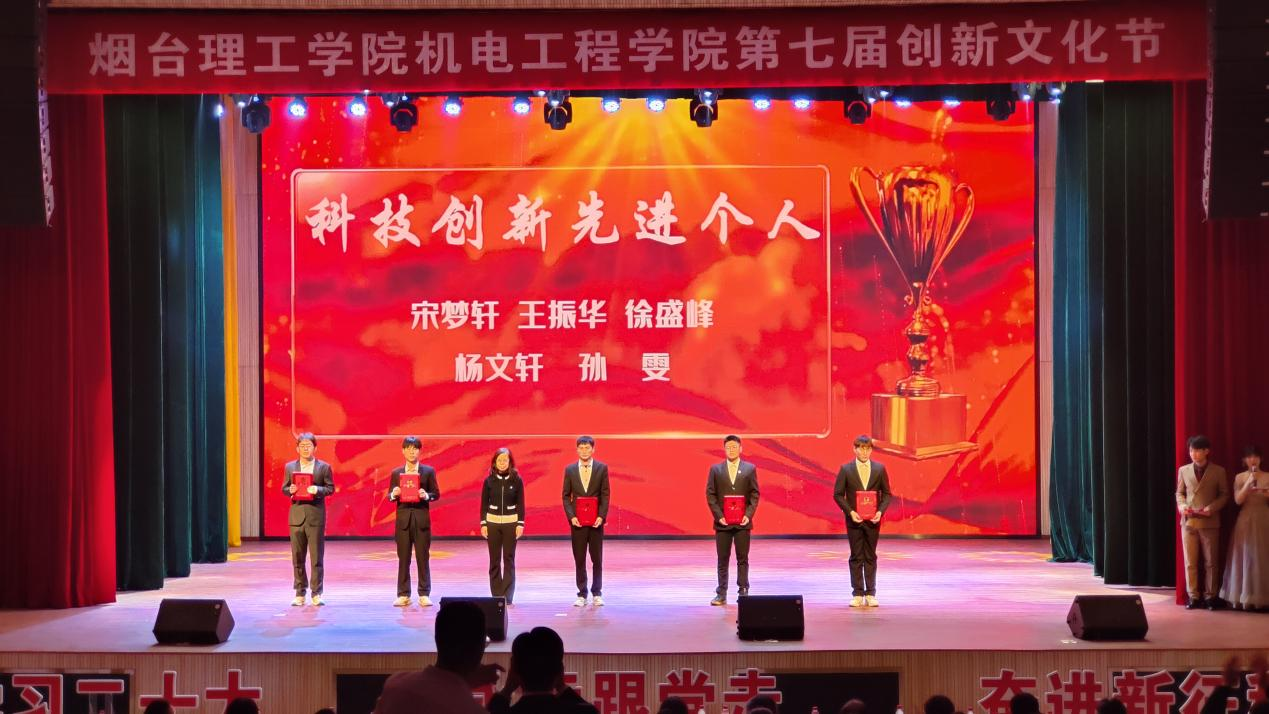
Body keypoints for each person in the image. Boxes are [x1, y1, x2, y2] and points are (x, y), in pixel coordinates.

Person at [373, 600, 502, 714]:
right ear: (479, 648)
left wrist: (464, 682)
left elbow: (437, 693)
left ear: (437, 638)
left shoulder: (395, 685)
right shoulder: (470, 710)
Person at [833, 434, 893, 607]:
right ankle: (858, 593)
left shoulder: (879, 469)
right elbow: (838, 494)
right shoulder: (846, 469)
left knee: (870, 556)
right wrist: (850, 512)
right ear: (855, 449)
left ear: (871, 450)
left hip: (873, 521)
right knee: (856, 556)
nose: (865, 452)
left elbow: (887, 494)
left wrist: (880, 512)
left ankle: (871, 593)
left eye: (868, 449)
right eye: (861, 448)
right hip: (854, 520)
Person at [488, 626, 598, 714]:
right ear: (560, 670)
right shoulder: (585, 712)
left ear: (514, 669)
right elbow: (588, 709)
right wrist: (561, 686)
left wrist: (507, 689)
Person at [282, 432, 335, 606]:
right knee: (297, 557)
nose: (306, 449)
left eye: (309, 446)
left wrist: (317, 490)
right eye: (302, 446)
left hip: (315, 516)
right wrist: (290, 490)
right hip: (296, 516)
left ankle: (316, 593)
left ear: (315, 448)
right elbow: (284, 488)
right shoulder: (290, 467)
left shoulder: (323, 467)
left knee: (316, 557)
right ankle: (300, 592)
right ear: (297, 448)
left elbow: (330, 488)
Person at [1176, 435, 1229, 609]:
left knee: (1211, 562)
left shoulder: (1218, 471)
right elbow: (1180, 492)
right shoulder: (1183, 470)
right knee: (1190, 562)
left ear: (1207, 451)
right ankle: (1193, 596)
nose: (1193, 454)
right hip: (1189, 521)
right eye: (1191, 450)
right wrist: (1182, 505)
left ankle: (1210, 596)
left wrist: (1211, 508)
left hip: (1209, 521)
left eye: (1197, 450)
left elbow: (1224, 495)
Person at [707, 434, 759, 606]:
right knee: (722, 559)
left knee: (742, 558)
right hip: (722, 524)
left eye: (734, 447)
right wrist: (719, 516)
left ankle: (743, 590)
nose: (731, 450)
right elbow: (710, 495)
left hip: (743, 523)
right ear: (724, 449)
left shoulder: (749, 469)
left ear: (740, 449)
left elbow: (754, 494)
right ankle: (721, 593)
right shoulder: (716, 470)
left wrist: (748, 515)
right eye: (728, 447)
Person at [388, 436, 441, 607]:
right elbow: (389, 496)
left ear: (420, 451)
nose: (412, 452)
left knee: (422, 558)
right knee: (403, 559)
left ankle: (424, 594)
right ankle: (403, 594)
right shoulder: (396, 473)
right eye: (409, 448)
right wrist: (394, 494)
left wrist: (426, 495)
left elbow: (436, 494)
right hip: (403, 522)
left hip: (421, 520)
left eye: (415, 448)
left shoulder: (428, 471)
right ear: (403, 451)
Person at [563, 435, 611, 607]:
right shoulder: (570, 470)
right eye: (581, 448)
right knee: (579, 558)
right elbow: (565, 496)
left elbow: (605, 494)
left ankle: (597, 593)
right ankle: (582, 593)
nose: (584, 451)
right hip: (578, 523)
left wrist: (601, 516)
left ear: (593, 449)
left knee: (597, 559)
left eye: (587, 448)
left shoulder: (601, 468)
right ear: (577, 450)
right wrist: (572, 517)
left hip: (596, 522)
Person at [1219, 446, 1269, 610]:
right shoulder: (1240, 477)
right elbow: (1238, 500)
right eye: (1249, 457)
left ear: (1261, 459)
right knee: (1245, 556)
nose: (1252, 460)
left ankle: (1263, 597)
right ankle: (1244, 597)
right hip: (1245, 519)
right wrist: (1248, 483)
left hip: (1263, 517)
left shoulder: (1267, 476)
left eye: (1256, 456)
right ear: (1244, 460)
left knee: (1262, 556)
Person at [481, 447, 525, 604]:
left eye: (505, 460)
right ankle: (496, 595)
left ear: (510, 462)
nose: (502, 463)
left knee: (509, 559)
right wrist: (483, 523)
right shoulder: (489, 481)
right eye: (499, 460)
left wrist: (520, 524)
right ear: (494, 462)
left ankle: (507, 596)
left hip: (510, 524)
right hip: (492, 524)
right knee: (494, 560)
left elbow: (520, 503)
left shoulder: (517, 480)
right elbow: (484, 504)